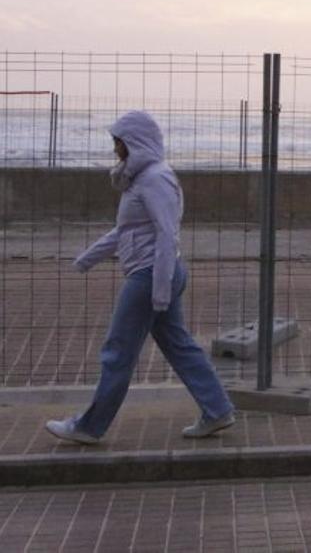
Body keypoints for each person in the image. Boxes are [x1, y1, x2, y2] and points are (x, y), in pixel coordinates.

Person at [45, 111, 236, 445]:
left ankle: (88, 427)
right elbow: (128, 230)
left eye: (119, 141)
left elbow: (166, 234)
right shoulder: (140, 177)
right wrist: (88, 258)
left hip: (150, 276)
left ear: (135, 142)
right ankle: (217, 409)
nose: (115, 147)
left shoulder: (154, 179)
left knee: (117, 351)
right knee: (179, 345)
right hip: (153, 273)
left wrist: (160, 289)